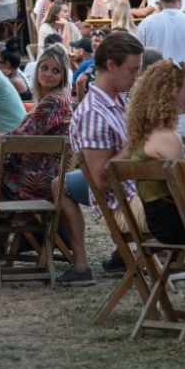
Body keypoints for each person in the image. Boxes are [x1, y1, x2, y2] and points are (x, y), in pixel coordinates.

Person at [57, 31, 145, 285]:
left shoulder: (119, 100)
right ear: (110, 65)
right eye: (132, 70)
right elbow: (102, 180)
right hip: (128, 201)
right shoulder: (95, 113)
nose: (136, 76)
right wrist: (136, 143)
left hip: (137, 192)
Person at [124, 60, 185, 244]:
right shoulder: (167, 139)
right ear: (170, 95)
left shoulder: (144, 133)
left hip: (159, 221)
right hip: (177, 224)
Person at [3, 46, 74, 201]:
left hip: (41, 176)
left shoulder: (53, 102)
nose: (48, 74)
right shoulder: (60, 97)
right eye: (44, 68)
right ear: (37, 70)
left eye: (56, 71)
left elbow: (23, 137)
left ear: (63, 76)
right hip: (50, 172)